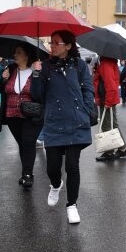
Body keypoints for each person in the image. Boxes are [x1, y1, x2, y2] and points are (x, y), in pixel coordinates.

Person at [30, 30, 96, 224]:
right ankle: (56, 185)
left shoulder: (79, 65)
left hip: (77, 121)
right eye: (51, 43)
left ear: (68, 46)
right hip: (54, 122)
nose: (52, 46)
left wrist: (85, 108)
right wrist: (36, 73)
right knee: (52, 168)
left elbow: (88, 88)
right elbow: (36, 95)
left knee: (72, 166)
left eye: (56, 43)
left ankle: (72, 205)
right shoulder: (45, 67)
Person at [0, 45, 43, 189]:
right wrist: (3, 80)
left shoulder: (37, 70)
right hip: (12, 115)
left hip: (31, 115)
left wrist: (36, 75)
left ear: (27, 55)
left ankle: (27, 174)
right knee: (23, 144)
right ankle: (26, 172)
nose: (15, 55)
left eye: (19, 53)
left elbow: (40, 94)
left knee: (28, 142)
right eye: (15, 52)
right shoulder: (11, 69)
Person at [94, 56, 126, 162]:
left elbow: (110, 84)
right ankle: (122, 149)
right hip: (107, 98)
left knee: (106, 125)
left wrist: (108, 102)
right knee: (112, 124)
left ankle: (109, 152)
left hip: (106, 98)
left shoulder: (105, 64)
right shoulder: (110, 63)